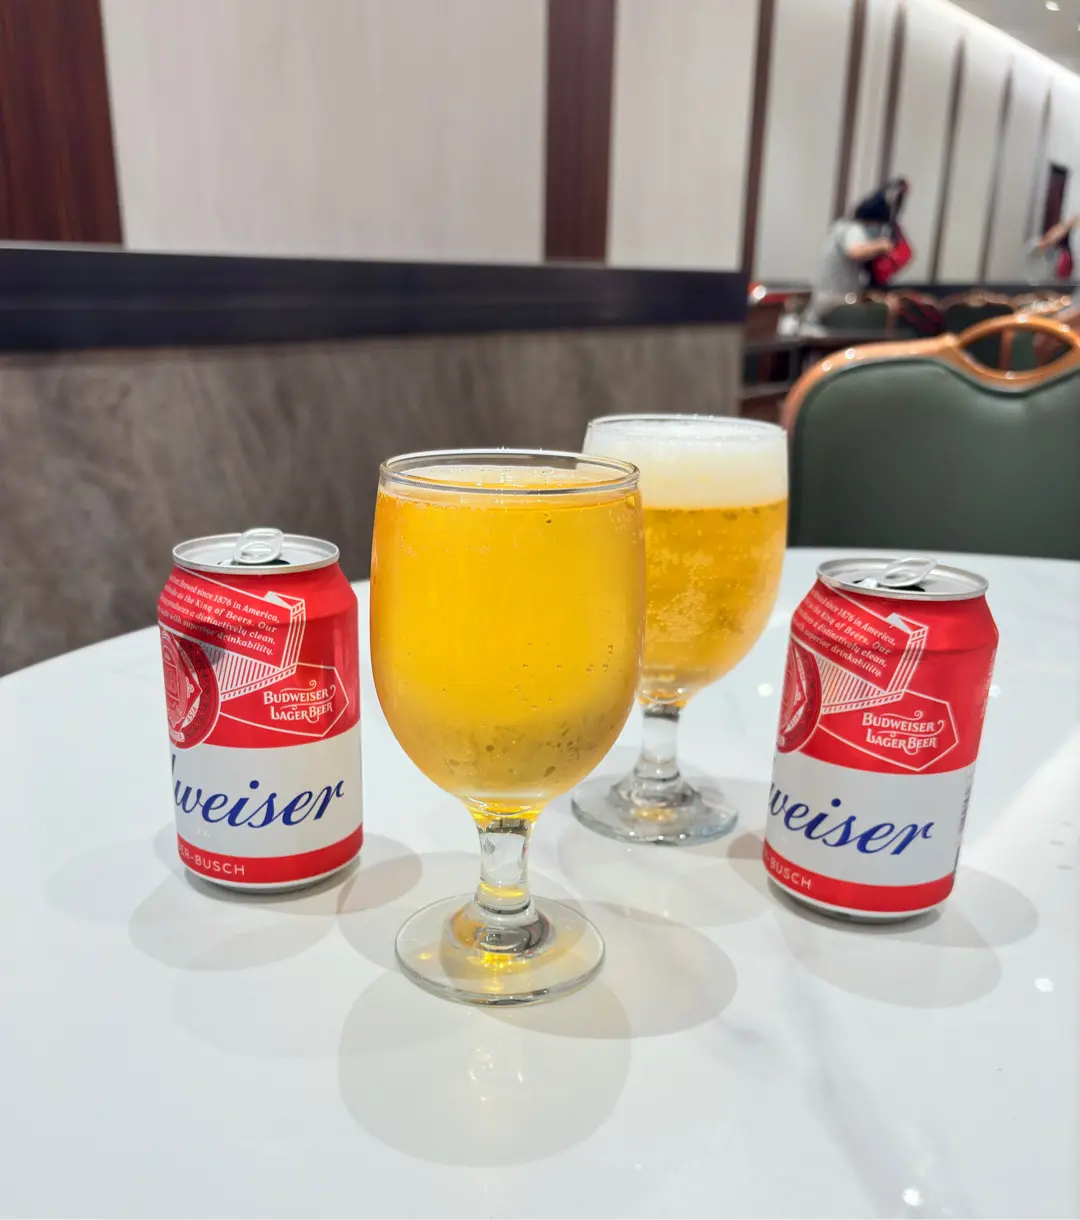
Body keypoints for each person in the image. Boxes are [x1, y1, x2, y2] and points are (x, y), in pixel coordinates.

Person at [806, 178, 909, 327]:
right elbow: (855, 251)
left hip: (839, 301)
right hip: (833, 303)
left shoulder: (843, 228)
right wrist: (882, 245)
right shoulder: (852, 229)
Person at [1026, 216, 1077, 283]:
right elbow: (1046, 242)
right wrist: (1069, 224)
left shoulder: (1057, 253)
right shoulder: (1033, 244)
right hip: (1030, 286)